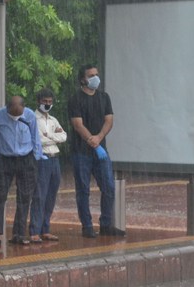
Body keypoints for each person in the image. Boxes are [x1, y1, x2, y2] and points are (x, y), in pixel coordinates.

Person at [68, 65, 125, 238]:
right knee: (83, 189)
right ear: (83, 79)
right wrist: (91, 141)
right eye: (91, 75)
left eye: (96, 74)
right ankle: (87, 226)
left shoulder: (104, 97)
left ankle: (106, 224)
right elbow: (77, 124)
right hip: (81, 152)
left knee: (108, 187)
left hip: (101, 151)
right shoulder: (75, 99)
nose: (95, 78)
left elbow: (109, 120)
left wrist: (99, 138)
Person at [0, 95, 42, 246]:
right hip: (5, 159)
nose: (16, 118)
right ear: (7, 108)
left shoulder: (30, 115)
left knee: (24, 198)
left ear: (24, 109)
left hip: (26, 158)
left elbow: (35, 137)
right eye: (13, 115)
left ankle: (19, 233)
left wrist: (37, 158)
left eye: (19, 115)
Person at [29, 88, 67, 243]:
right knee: (39, 195)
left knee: (51, 195)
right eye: (45, 101)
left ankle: (45, 229)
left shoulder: (53, 119)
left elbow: (64, 136)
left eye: (50, 102)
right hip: (41, 159)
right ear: (39, 101)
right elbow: (38, 140)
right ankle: (34, 231)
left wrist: (49, 136)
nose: (47, 104)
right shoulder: (32, 118)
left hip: (55, 159)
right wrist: (54, 137)